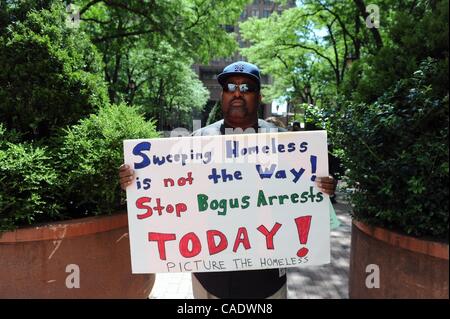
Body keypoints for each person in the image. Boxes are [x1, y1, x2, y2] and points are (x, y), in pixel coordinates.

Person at [119, 61, 337, 299]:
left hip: (266, 279)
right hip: (209, 278)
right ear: (222, 95)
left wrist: (323, 188)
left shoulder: (286, 144)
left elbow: (307, 194)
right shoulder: (197, 140)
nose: (237, 93)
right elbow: (168, 190)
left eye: (246, 88)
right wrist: (136, 180)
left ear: (259, 96)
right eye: (231, 86)